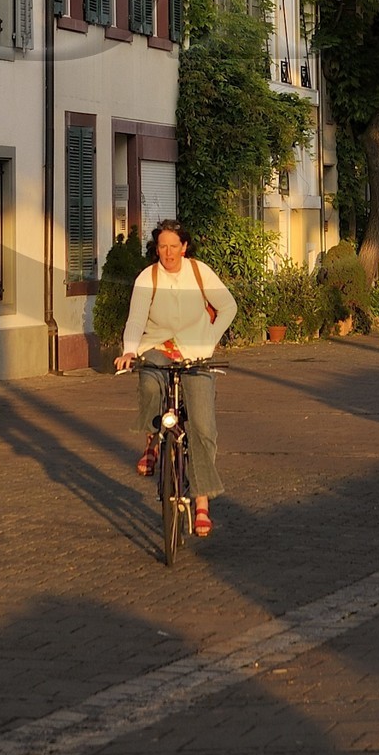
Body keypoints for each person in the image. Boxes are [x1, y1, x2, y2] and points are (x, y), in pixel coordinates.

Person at [115, 218, 236, 538]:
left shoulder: (199, 272)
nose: (168, 253)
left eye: (173, 246)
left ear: (184, 247)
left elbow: (228, 307)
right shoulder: (148, 277)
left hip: (196, 352)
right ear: (156, 249)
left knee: (203, 428)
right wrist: (129, 351)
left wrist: (209, 340)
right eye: (162, 247)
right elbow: (136, 319)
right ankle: (152, 440)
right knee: (148, 378)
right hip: (158, 347)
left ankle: (201, 503)